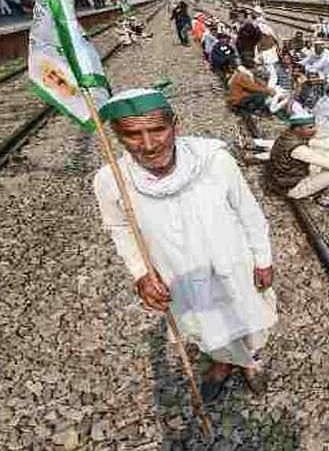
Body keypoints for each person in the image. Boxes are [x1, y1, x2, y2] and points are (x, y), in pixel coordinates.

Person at [94, 89, 277, 403]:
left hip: (234, 264)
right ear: (117, 136)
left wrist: (263, 258)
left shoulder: (214, 160)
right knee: (206, 325)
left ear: (175, 125)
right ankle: (222, 362)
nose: (149, 145)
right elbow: (120, 229)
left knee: (247, 315)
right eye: (133, 135)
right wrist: (141, 274)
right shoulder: (111, 181)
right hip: (178, 274)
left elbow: (248, 211)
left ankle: (250, 360)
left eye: (158, 130)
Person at [265, 113, 329, 210]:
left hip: (282, 179)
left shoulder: (289, 136)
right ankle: (325, 201)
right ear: (298, 129)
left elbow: (314, 143)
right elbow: (327, 163)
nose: (315, 129)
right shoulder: (297, 148)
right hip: (290, 187)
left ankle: (322, 188)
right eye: (310, 127)